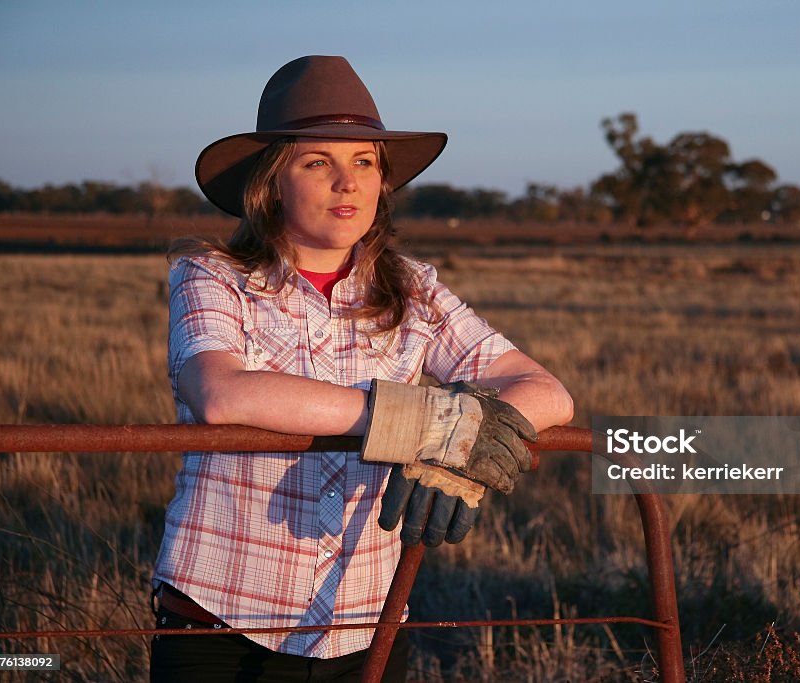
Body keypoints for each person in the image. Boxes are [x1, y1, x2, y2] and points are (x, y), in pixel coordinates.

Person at [150, 56, 574, 682]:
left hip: (363, 626)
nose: (346, 182)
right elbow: (219, 392)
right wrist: (421, 422)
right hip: (222, 622)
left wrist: (466, 433)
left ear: (382, 183)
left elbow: (547, 392)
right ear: (271, 184)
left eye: (365, 161)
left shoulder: (414, 289)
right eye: (317, 162)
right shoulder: (213, 277)